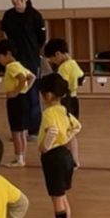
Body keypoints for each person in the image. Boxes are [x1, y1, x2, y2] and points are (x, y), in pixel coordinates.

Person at [36, 74, 81, 218]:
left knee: (57, 198)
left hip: (53, 158)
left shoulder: (49, 113)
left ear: (47, 95)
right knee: (62, 196)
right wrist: (65, 138)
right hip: (65, 154)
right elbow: (77, 126)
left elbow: (52, 131)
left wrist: (45, 147)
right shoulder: (64, 110)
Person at [0, 0, 46, 140]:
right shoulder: (8, 15)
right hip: (15, 60)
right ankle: (19, 130)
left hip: (31, 59)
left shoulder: (35, 15)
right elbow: (6, 35)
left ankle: (34, 130)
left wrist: (33, 51)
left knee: (32, 94)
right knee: (17, 95)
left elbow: (41, 39)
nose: (15, 0)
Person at [0, 39, 36, 168]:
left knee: (16, 131)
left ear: (8, 53)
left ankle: (18, 159)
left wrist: (16, 92)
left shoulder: (11, 66)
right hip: (23, 99)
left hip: (16, 101)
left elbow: (22, 78)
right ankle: (21, 157)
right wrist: (25, 90)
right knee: (22, 131)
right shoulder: (19, 65)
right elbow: (32, 77)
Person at [44, 38, 84, 167]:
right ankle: (75, 159)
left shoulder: (63, 67)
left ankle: (69, 159)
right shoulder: (73, 63)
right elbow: (81, 78)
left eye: (51, 59)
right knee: (71, 131)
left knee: (64, 131)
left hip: (65, 101)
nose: (51, 62)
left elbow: (61, 86)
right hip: (74, 99)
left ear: (58, 54)